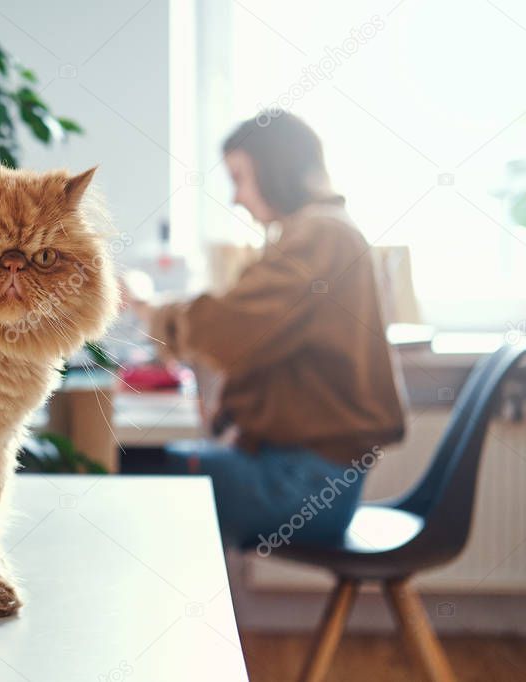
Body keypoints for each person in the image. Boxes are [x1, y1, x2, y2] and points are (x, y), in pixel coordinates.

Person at [130, 112, 406, 550]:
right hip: (313, 476)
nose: (237, 198)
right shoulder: (322, 231)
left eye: (240, 177)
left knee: (133, 470)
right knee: (150, 465)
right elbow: (251, 334)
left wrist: (151, 310)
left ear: (276, 169)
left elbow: (229, 328)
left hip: (308, 486)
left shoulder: (321, 236)